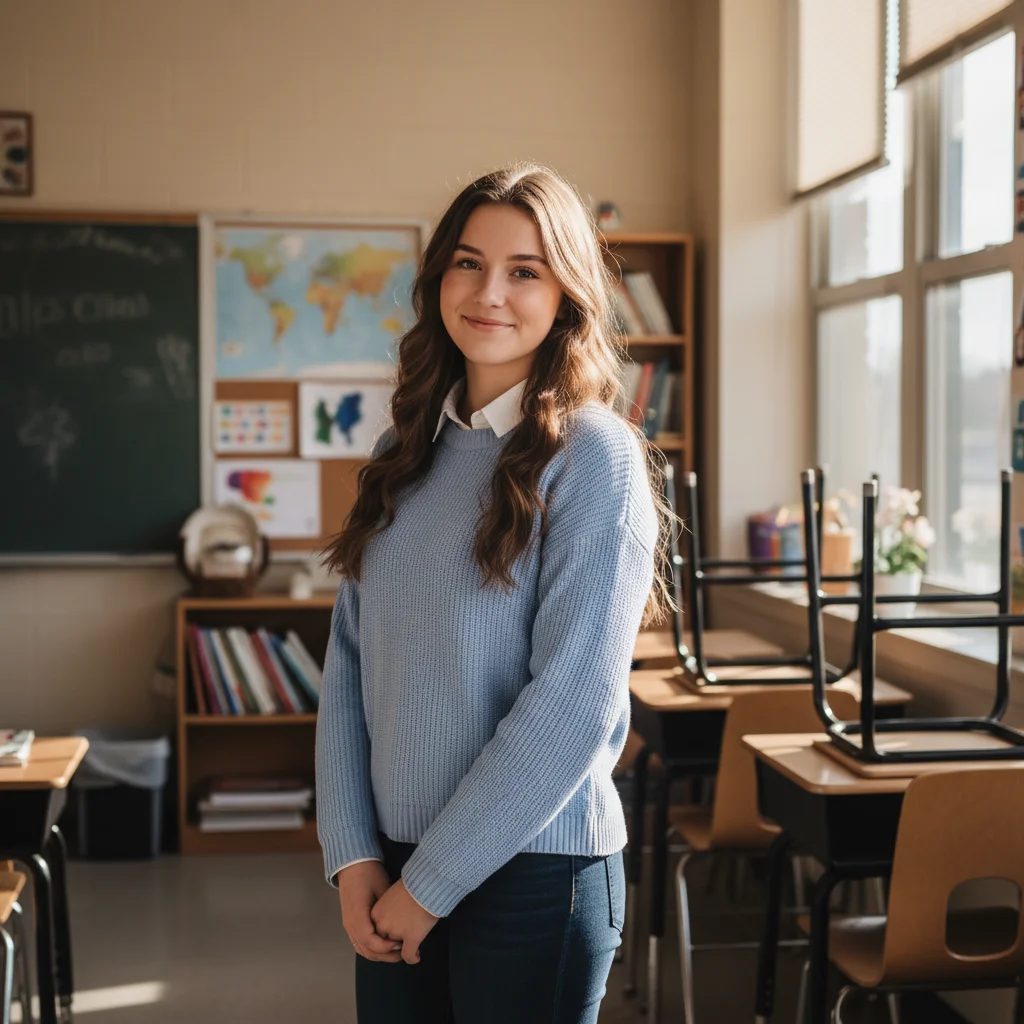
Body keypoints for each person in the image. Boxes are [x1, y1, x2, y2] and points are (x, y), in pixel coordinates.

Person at [316, 163, 677, 1023]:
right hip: (396, 867)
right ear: (440, 275)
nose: (490, 293)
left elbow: (573, 710)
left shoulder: (596, 456)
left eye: (526, 271)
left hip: (533, 872)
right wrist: (353, 853)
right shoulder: (404, 453)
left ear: (567, 296)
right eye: (469, 263)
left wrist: (430, 885)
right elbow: (347, 673)